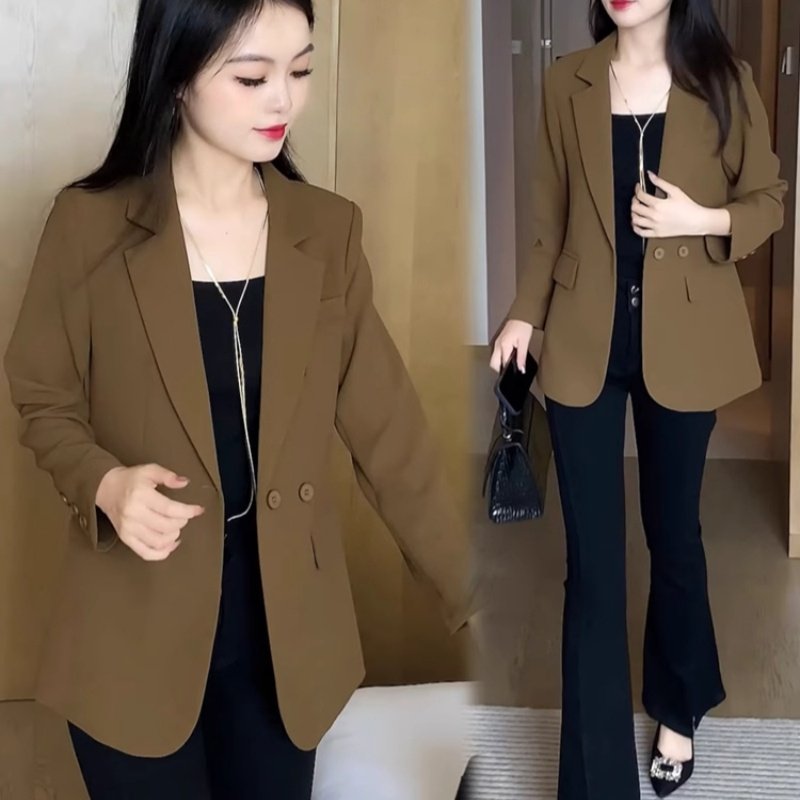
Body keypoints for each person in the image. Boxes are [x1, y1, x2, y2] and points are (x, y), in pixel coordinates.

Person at [3, 1, 478, 797]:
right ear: (178, 74)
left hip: (285, 637)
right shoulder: (88, 226)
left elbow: (390, 439)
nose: (283, 100)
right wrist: (105, 483)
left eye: (301, 71)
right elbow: (42, 394)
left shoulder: (328, 232)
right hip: (132, 630)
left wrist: (472, 595)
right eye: (253, 77)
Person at [490, 1, 787, 798]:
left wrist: (700, 217)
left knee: (674, 537)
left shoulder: (724, 81)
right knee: (592, 568)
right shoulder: (567, 82)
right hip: (584, 339)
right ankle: (593, 783)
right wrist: (525, 312)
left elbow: (768, 199)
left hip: (685, 339)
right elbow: (550, 219)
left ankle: (679, 705)